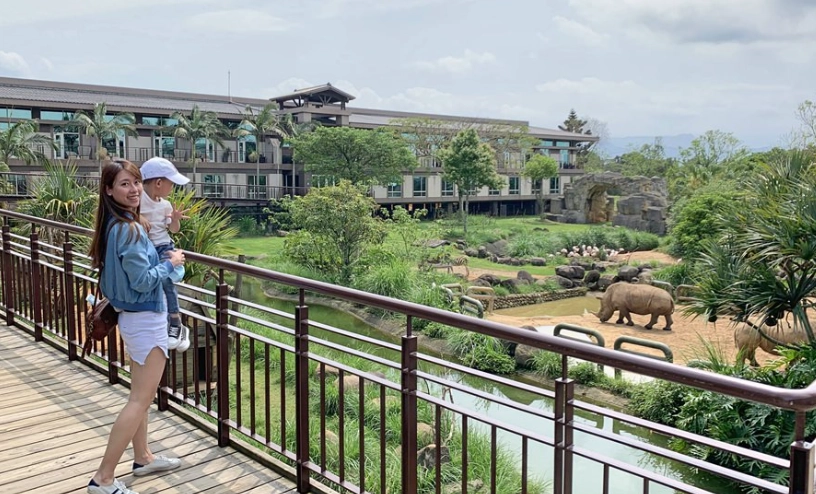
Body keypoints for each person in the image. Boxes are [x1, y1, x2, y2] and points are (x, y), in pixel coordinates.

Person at [87, 159, 186, 494]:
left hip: (134, 318)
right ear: (109, 190)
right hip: (145, 318)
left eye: (136, 182)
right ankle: (103, 478)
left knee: (139, 396)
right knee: (140, 401)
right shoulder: (129, 229)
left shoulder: (117, 224)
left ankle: (142, 457)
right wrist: (169, 263)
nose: (133, 190)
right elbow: (143, 281)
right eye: (125, 184)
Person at [139, 156, 191, 353]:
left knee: (165, 278)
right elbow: (126, 212)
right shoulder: (138, 199)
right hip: (145, 248)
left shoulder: (166, 205)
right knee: (153, 281)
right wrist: (138, 216)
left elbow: (174, 230)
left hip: (162, 247)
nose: (172, 188)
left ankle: (176, 321)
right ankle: (170, 324)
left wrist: (175, 219)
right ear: (158, 183)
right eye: (171, 183)